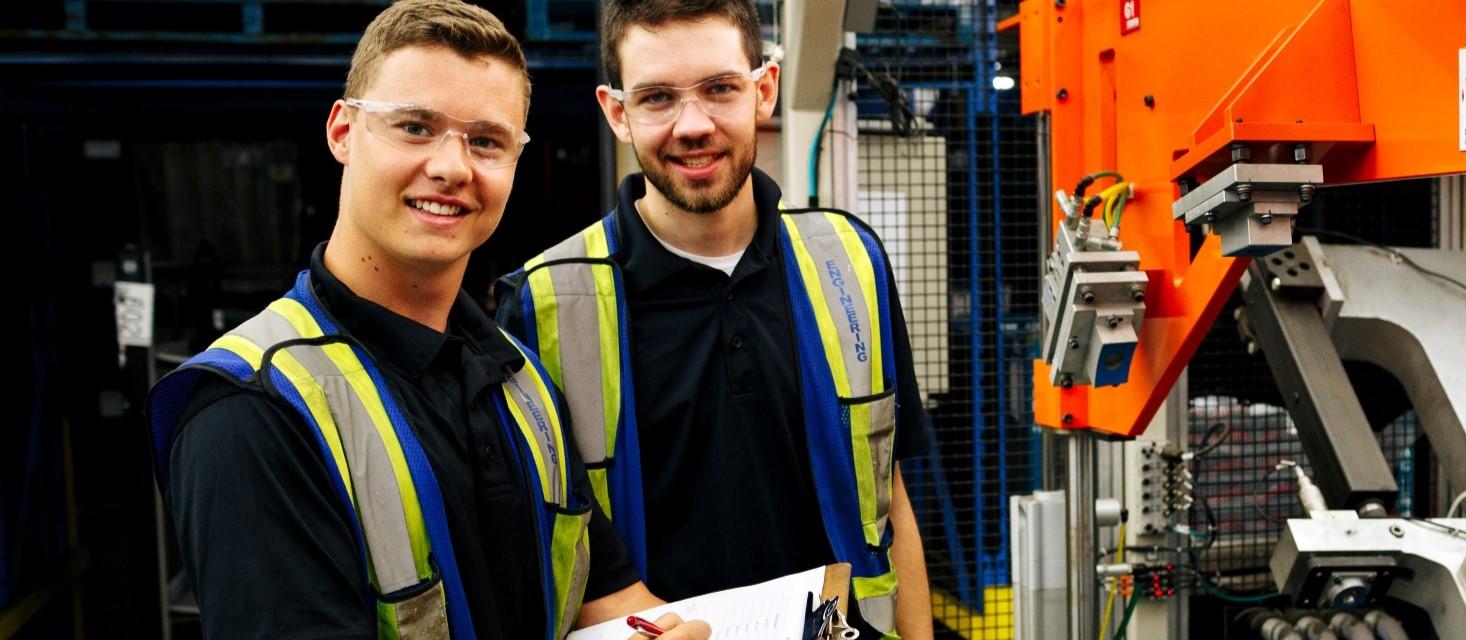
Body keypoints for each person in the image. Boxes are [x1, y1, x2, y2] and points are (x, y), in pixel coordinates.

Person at [146, 1, 705, 637]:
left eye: (487, 141)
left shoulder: (522, 383)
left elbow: (604, 593)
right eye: (414, 126)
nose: (451, 167)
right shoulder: (250, 411)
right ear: (342, 132)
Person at [493, 0, 933, 637]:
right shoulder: (545, 306)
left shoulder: (850, 261)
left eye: (720, 88)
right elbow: (539, 540)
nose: (692, 124)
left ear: (764, 91)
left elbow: (887, 495)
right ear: (617, 113)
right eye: (657, 98)